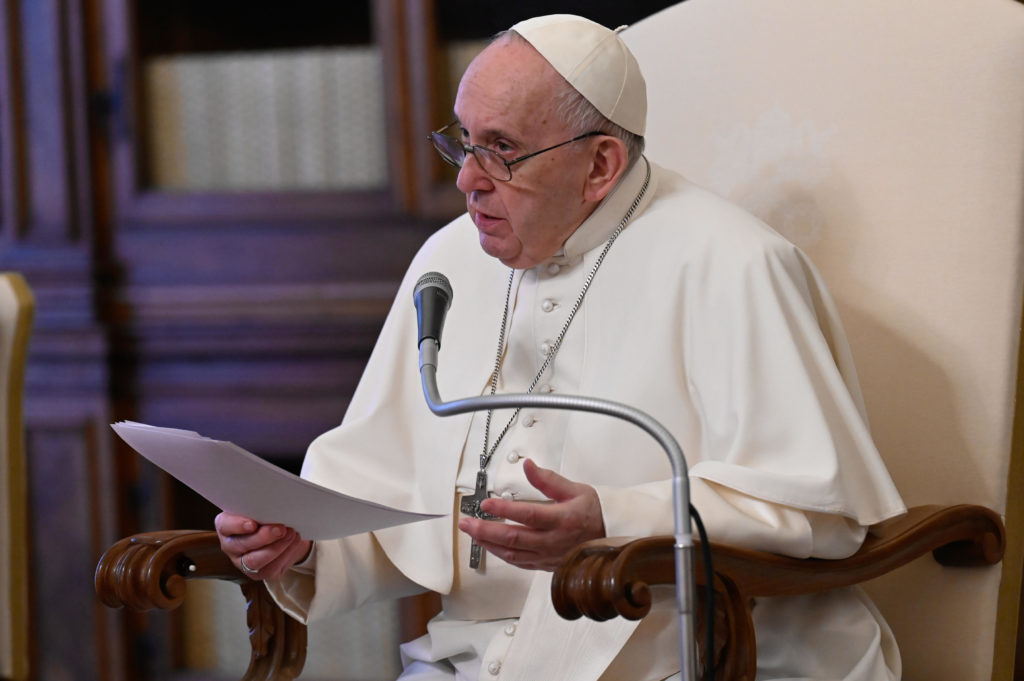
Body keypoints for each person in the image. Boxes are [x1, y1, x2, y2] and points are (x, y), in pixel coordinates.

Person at [215, 14, 906, 681]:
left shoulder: (732, 262)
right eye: (463, 141)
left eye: (502, 149)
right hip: (474, 657)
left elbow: (821, 512)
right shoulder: (451, 258)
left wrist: (613, 520)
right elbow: (387, 491)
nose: (467, 180)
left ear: (601, 164)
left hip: (691, 652)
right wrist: (303, 542)